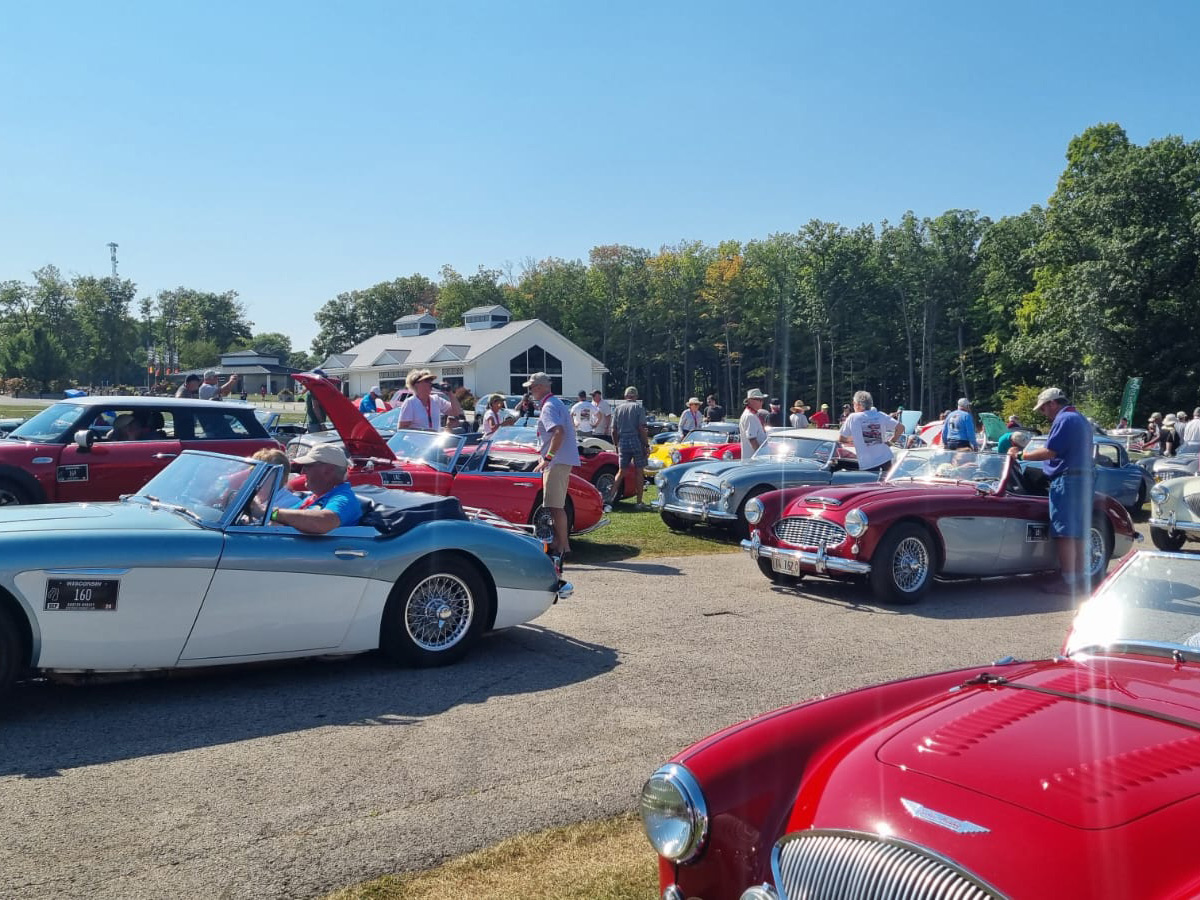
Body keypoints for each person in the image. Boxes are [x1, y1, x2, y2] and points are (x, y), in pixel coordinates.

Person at [1008, 387, 1094, 594]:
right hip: (1084, 478)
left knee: (1064, 532)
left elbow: (1050, 452)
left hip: (1068, 479)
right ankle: (1080, 579)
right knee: (1080, 532)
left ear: (1053, 403)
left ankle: (1068, 581)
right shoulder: (1080, 418)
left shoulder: (1064, 420)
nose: (1044, 413)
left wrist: (1020, 456)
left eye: (1044, 409)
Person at [525, 372, 581, 555]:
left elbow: (559, 432)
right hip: (561, 460)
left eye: (532, 387)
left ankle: (563, 546)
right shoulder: (556, 403)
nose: (530, 391)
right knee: (556, 504)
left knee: (554, 505)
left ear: (540, 387)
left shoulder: (548, 406)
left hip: (556, 462)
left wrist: (548, 457)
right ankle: (561, 543)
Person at [269, 443, 361, 534]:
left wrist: (271, 513)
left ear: (328, 470)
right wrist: (270, 515)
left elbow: (324, 522)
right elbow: (283, 520)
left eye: (308, 466)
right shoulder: (314, 497)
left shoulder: (344, 499)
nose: (302, 471)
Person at [838, 391, 902, 473]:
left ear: (858, 405)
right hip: (885, 458)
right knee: (887, 484)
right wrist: (891, 442)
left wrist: (854, 440)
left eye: (853, 403)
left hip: (868, 462)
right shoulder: (880, 415)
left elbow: (841, 438)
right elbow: (901, 428)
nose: (853, 406)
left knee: (871, 485)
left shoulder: (853, 417)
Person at [612, 385, 650, 509]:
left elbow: (614, 430)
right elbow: (642, 428)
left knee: (621, 471)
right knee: (639, 471)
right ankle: (639, 502)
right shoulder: (638, 408)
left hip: (622, 441)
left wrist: (616, 444)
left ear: (625, 396)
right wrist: (646, 444)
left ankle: (609, 498)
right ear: (636, 397)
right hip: (636, 440)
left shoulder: (618, 409)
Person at [397, 370, 462, 430]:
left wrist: (450, 393)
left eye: (430, 381)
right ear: (416, 384)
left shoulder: (436, 399)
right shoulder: (410, 403)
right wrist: (423, 431)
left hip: (433, 442)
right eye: (426, 381)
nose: (430, 383)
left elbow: (456, 412)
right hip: (416, 442)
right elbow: (402, 428)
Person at [739, 389, 768, 459]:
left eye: (762, 400)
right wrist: (760, 456)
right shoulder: (750, 416)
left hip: (753, 459)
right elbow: (752, 440)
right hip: (754, 460)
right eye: (758, 400)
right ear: (750, 401)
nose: (761, 402)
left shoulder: (753, 414)